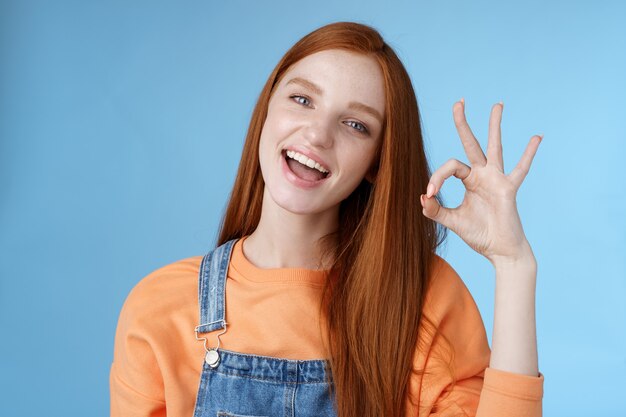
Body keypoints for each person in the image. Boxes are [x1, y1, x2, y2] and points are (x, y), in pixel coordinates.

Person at [110, 21, 544, 417]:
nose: (318, 134)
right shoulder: (160, 308)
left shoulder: (424, 301)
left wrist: (513, 265)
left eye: (355, 124)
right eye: (302, 99)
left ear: (377, 162)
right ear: (267, 110)